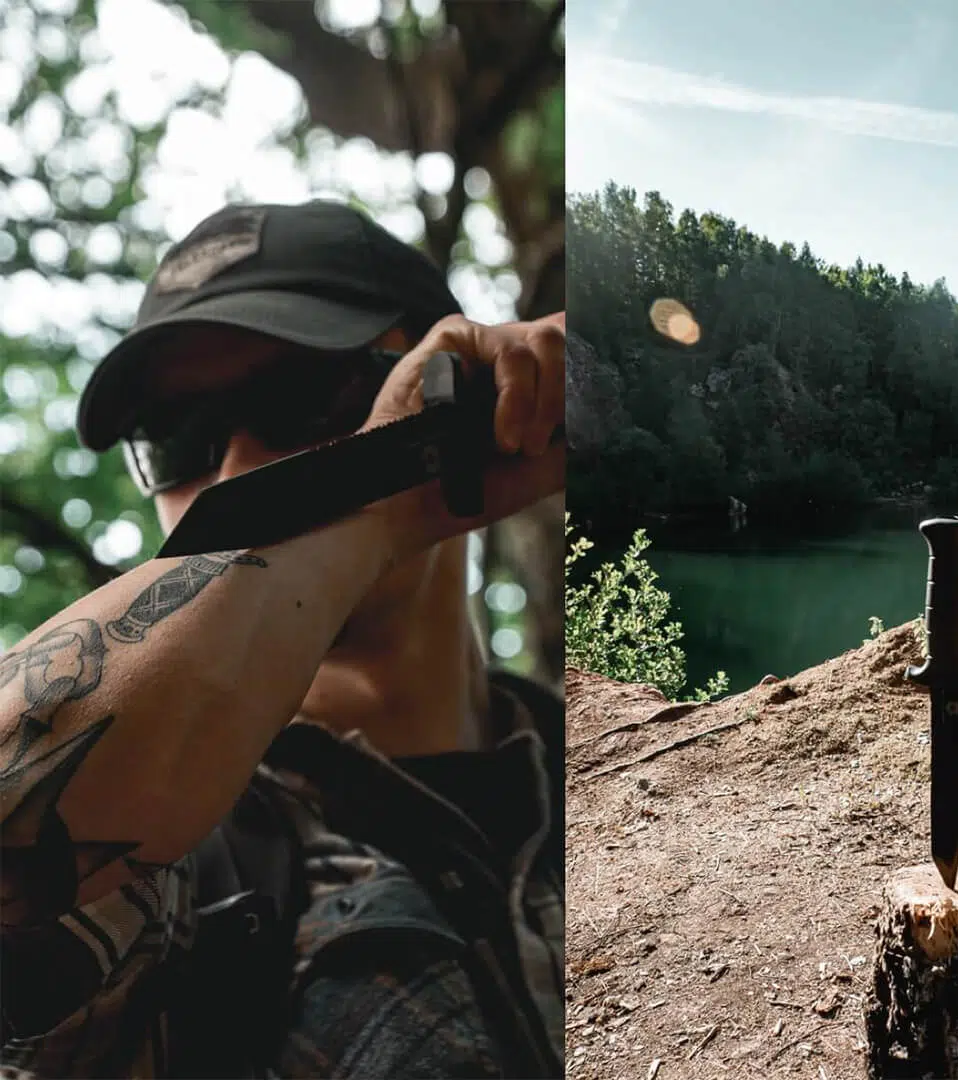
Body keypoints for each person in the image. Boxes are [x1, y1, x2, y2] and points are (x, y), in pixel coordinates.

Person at [0, 201, 567, 1078]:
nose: (229, 476)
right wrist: (367, 488)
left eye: (304, 399)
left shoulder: (622, 761)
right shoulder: (171, 857)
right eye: (175, 439)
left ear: (459, 386)